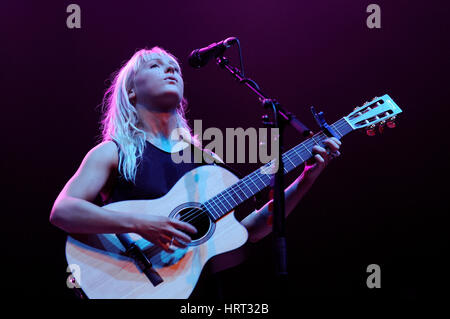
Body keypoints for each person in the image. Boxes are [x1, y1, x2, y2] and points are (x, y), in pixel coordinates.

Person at [50, 46, 341, 295]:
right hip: (130, 282)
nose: (171, 71)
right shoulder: (113, 152)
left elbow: (248, 231)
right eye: (155, 66)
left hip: (198, 295)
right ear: (131, 90)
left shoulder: (207, 161)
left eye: (175, 68)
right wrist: (142, 224)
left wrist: (305, 179)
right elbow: (63, 211)